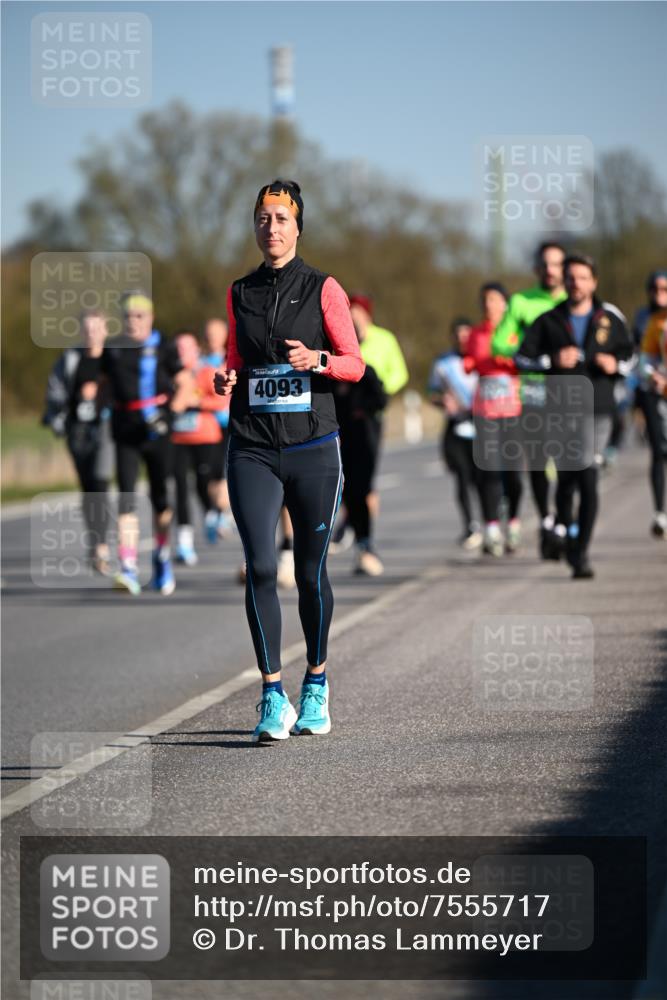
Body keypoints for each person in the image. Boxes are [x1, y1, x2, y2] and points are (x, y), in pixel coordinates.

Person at [213, 179, 365, 742]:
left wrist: (318, 358)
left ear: (298, 227)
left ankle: (317, 684)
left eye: (281, 218)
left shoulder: (324, 288)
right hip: (252, 446)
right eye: (262, 218)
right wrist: (225, 376)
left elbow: (355, 364)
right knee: (259, 566)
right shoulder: (239, 292)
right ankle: (272, 694)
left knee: (308, 571)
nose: (271, 227)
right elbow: (234, 358)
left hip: (312, 448)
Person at [516, 253, 634, 579]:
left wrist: (616, 365)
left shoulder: (609, 317)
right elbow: (521, 358)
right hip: (561, 410)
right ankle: (568, 533)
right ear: (564, 282)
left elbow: (632, 355)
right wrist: (552, 359)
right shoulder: (549, 319)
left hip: (597, 410)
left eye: (582, 278)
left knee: (588, 474)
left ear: (593, 281)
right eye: (570, 278)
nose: (575, 283)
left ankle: (580, 552)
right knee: (567, 481)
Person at [76, 291, 191, 595]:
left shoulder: (164, 345)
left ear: (150, 318)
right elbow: (97, 384)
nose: (133, 322)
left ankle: (162, 558)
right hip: (124, 431)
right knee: (126, 497)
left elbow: (185, 384)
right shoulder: (113, 349)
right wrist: (96, 409)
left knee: (160, 499)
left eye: (139, 316)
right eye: (128, 317)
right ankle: (128, 567)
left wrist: (169, 414)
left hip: (157, 431)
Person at [491, 242, 567, 558]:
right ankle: (548, 520)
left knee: (570, 462)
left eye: (556, 264)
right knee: (538, 462)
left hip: (568, 391)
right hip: (533, 389)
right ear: (537, 269)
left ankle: (565, 521)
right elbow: (499, 343)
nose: (550, 270)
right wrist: (531, 353)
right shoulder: (522, 302)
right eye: (545, 264)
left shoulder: (572, 301)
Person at [330, 293, 409, 552]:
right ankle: (352, 524)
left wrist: (378, 395)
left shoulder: (384, 339)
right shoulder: (333, 345)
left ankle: (362, 534)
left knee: (363, 480)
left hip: (369, 419)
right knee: (342, 480)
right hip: (339, 423)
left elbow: (399, 373)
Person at [42, 310, 114, 575]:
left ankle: (102, 547)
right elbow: (55, 392)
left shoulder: (113, 358)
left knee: (100, 481)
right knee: (88, 489)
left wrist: (102, 392)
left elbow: (126, 386)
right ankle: (95, 540)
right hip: (78, 431)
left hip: (105, 428)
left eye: (97, 328)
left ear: (105, 330)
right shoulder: (70, 359)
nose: (92, 333)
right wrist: (58, 420)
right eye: (87, 328)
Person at [464, 283, 523, 555]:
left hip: (513, 409)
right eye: (485, 299)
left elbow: (521, 361)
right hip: (484, 409)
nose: (489, 304)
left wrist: (502, 362)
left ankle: (512, 521)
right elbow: (472, 362)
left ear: (505, 304)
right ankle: (490, 527)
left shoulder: (515, 332)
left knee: (513, 473)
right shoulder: (476, 333)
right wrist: (480, 363)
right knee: (487, 469)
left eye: (494, 299)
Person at [171, 332, 230, 566]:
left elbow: (220, 401)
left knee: (206, 482)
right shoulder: (172, 375)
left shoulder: (205, 372)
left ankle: (213, 512)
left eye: (188, 348)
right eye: (179, 348)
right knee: (180, 487)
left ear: (197, 350)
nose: (183, 353)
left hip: (205, 436)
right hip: (178, 439)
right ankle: (184, 543)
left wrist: (197, 403)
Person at [428, 318, 483, 550]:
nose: (462, 340)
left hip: (482, 424)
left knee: (482, 479)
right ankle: (470, 526)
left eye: (466, 336)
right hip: (455, 426)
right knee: (461, 475)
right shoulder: (443, 362)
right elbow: (431, 392)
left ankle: (491, 520)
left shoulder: (484, 359)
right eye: (458, 336)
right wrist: (443, 401)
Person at [333, 356, 387, 575]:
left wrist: (360, 409)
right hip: (335, 443)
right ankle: (357, 540)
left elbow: (381, 400)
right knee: (346, 494)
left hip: (363, 441)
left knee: (361, 492)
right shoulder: (324, 372)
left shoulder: (366, 371)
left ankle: (365, 544)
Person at [633, 271, 667, 537]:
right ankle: (660, 513)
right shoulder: (654, 322)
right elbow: (644, 359)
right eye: (655, 289)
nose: (660, 294)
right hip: (657, 394)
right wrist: (651, 375)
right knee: (659, 450)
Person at [200, 317, 235, 541]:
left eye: (217, 332)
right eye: (209, 333)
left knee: (225, 473)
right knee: (210, 476)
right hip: (207, 425)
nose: (213, 337)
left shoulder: (231, 358)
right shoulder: (200, 361)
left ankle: (221, 512)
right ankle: (218, 510)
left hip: (230, 423)